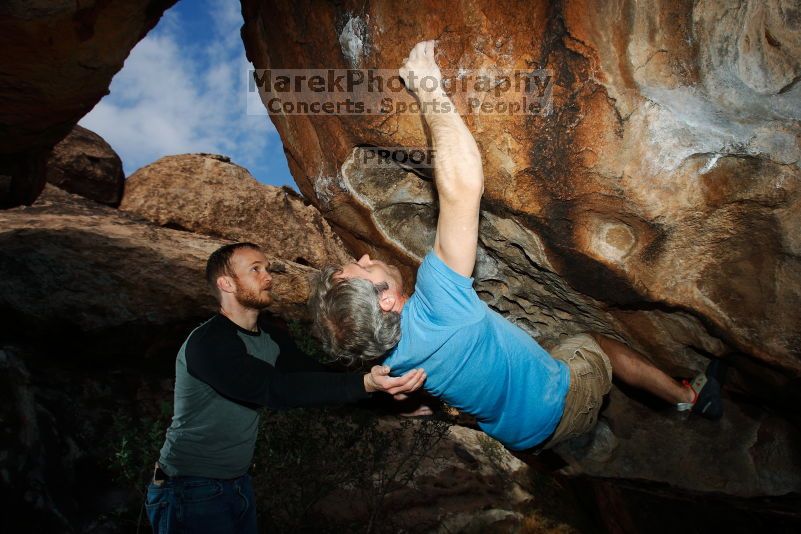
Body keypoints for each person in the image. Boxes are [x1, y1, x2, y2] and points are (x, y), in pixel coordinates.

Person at [309, 41, 725, 454]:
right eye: (362, 269)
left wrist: (394, 395)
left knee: (547, 347)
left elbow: (413, 408)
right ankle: (688, 396)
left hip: (523, 442)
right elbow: (462, 188)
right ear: (384, 301)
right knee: (598, 344)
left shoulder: (390, 368)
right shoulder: (437, 302)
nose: (364, 257)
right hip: (565, 405)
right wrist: (428, 87)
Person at [145, 242, 426, 534]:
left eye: (267, 268)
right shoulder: (209, 343)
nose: (268, 277)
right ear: (226, 283)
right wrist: (365, 383)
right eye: (255, 269)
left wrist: (390, 400)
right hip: (188, 488)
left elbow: (317, 376)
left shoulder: (270, 337)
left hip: (236, 483)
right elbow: (275, 389)